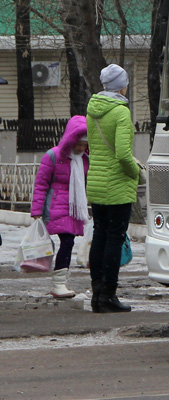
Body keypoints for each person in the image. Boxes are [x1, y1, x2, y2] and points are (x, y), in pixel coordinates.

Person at [86, 64, 141, 313]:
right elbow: (122, 154)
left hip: (96, 183)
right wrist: (136, 173)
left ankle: (97, 294)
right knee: (114, 239)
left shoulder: (92, 111)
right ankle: (109, 294)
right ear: (122, 85)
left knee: (99, 236)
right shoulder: (120, 113)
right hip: (117, 185)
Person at [29, 116, 89, 298]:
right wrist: (36, 211)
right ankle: (59, 282)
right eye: (78, 143)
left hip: (74, 208)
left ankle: (60, 282)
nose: (80, 148)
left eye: (84, 144)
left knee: (67, 242)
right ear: (70, 140)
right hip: (54, 205)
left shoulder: (84, 160)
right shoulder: (53, 156)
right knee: (66, 241)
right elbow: (41, 184)